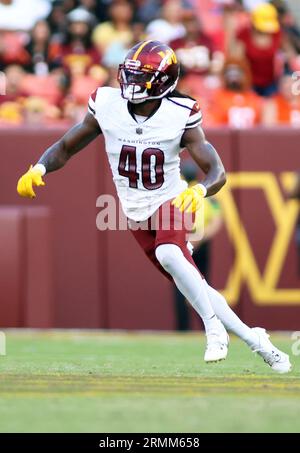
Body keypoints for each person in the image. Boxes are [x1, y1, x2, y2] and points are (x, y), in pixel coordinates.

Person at [17, 40, 291, 372]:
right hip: (133, 210)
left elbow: (217, 172)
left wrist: (200, 191)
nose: (132, 84)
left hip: (169, 198)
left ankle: (213, 329)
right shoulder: (106, 104)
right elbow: (65, 146)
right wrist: (40, 167)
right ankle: (256, 340)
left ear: (162, 82)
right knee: (195, 284)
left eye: (141, 77)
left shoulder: (180, 113)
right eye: (130, 75)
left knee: (169, 254)